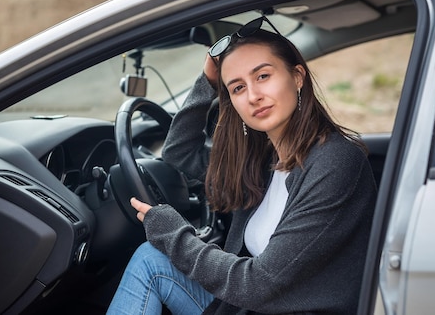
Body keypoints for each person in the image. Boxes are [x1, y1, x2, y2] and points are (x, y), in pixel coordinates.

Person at [106, 17, 377, 315]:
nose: (253, 96)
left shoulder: (334, 162)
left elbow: (259, 284)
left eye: (262, 76)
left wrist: (172, 232)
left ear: (297, 77)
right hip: (247, 306)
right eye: (237, 88)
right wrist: (207, 81)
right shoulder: (264, 160)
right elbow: (178, 152)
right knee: (150, 259)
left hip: (275, 303)